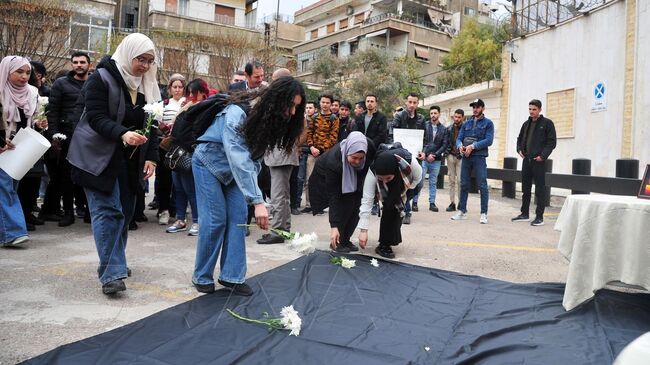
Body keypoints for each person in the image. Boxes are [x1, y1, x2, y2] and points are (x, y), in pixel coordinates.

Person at [191, 76, 306, 296]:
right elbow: (238, 156)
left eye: (296, 107)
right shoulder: (238, 111)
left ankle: (232, 276)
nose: (293, 112)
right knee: (215, 220)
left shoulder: (270, 121)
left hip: (234, 171)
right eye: (290, 105)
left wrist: (252, 196)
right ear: (277, 99)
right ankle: (202, 275)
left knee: (238, 219)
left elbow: (253, 160)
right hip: (207, 163)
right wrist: (257, 200)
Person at [68, 33, 160, 295]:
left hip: (130, 162)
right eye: (140, 59)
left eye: (149, 61)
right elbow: (94, 117)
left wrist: (152, 156)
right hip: (98, 157)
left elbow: (151, 124)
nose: (144, 65)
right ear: (127, 53)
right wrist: (122, 133)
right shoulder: (101, 78)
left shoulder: (146, 85)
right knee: (108, 213)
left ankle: (114, 260)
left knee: (126, 214)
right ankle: (111, 273)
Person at [41, 52, 91, 227]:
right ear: (71, 64)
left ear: (89, 65)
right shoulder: (61, 84)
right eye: (75, 62)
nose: (79, 65)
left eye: (82, 62)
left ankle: (88, 211)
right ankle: (68, 212)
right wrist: (54, 134)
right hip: (66, 136)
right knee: (66, 176)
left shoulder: (94, 83)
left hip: (88, 136)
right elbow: (53, 111)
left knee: (89, 174)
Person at [309, 131, 375, 253]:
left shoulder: (369, 146)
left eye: (361, 158)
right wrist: (333, 226)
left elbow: (371, 165)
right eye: (354, 157)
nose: (357, 161)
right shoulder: (333, 162)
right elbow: (334, 197)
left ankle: (346, 239)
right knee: (345, 206)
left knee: (357, 207)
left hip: (356, 176)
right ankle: (337, 241)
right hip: (328, 176)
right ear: (347, 152)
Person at [0, 56, 43, 247]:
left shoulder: (32, 92)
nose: (24, 76)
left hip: (21, 147)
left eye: (27, 72)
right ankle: (14, 232)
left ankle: (7, 232)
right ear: (7, 71)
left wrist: (40, 124)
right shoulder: (0, 90)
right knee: (5, 188)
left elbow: (32, 120)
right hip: (3, 145)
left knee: (11, 187)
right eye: (19, 72)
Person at [257, 68, 299, 244]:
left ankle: (278, 231)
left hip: (281, 155)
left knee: (278, 196)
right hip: (279, 154)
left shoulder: (287, 104)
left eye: (274, 80)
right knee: (282, 195)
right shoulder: (289, 101)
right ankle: (283, 229)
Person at [358, 144, 422, 258]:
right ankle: (385, 244)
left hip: (407, 181)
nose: (385, 181)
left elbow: (417, 178)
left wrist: (405, 189)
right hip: (385, 188)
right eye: (381, 178)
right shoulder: (373, 171)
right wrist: (363, 230)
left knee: (396, 209)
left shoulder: (409, 161)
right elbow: (366, 200)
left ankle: (388, 240)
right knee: (389, 207)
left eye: (388, 178)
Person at [165, 78, 208, 235]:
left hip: (190, 152)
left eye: (193, 92)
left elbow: (196, 132)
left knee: (191, 190)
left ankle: (197, 221)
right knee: (178, 189)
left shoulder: (205, 108)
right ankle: (180, 219)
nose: (190, 95)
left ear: (202, 93)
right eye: (188, 92)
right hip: (177, 151)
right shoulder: (187, 107)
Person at [512, 99, 556, 226]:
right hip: (527, 160)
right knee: (525, 189)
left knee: (540, 190)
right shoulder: (526, 124)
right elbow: (519, 139)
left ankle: (539, 217)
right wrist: (519, 149)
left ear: (540, 110)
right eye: (530, 109)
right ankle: (524, 214)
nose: (531, 111)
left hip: (539, 161)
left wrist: (543, 156)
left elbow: (551, 142)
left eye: (534, 109)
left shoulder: (547, 123)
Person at [451, 99, 494, 224]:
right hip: (466, 158)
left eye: (478, 107)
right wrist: (460, 146)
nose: (475, 109)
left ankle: (483, 213)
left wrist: (472, 146)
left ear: (483, 108)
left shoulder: (488, 123)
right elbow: (459, 138)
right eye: (474, 107)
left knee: (482, 185)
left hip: (479, 157)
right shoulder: (466, 123)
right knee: (463, 184)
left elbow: (489, 140)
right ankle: (462, 211)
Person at [154, 74, 186, 227]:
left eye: (180, 87)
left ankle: (177, 209)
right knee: (164, 179)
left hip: (181, 146)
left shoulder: (187, 104)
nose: (178, 90)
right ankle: (163, 209)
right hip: (165, 146)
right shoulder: (163, 104)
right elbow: (156, 123)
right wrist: (165, 129)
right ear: (170, 89)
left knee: (179, 181)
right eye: (175, 87)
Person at [302, 93, 339, 214]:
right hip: (312, 152)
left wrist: (322, 149)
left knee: (324, 179)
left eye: (328, 102)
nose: (325, 105)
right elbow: (309, 133)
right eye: (323, 102)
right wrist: (312, 147)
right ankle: (309, 204)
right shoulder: (314, 117)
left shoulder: (334, 118)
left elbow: (333, 137)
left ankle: (322, 204)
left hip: (326, 154)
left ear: (331, 104)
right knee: (309, 179)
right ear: (320, 103)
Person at [392, 92, 425, 223]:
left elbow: (425, 138)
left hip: (416, 156)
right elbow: (392, 135)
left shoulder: (421, 119)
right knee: (402, 182)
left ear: (418, 103)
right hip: (402, 156)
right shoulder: (399, 116)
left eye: (414, 102)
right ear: (406, 102)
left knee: (419, 182)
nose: (411, 105)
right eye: (409, 102)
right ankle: (406, 211)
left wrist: (425, 151)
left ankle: (405, 205)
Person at [414, 105, 448, 213]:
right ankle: (414, 202)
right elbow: (421, 141)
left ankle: (432, 203)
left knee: (433, 182)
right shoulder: (424, 125)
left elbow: (444, 144)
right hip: (424, 158)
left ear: (439, 114)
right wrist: (426, 154)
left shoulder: (444, 129)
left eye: (435, 113)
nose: (433, 115)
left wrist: (434, 155)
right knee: (419, 181)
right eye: (431, 113)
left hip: (436, 160)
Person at [445, 109, 465, 212]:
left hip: (461, 157)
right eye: (455, 116)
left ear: (462, 117)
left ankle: (461, 203)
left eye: (459, 117)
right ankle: (452, 203)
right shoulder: (449, 129)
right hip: (450, 156)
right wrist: (446, 153)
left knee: (460, 181)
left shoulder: (466, 128)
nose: (456, 119)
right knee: (451, 180)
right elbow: (446, 142)